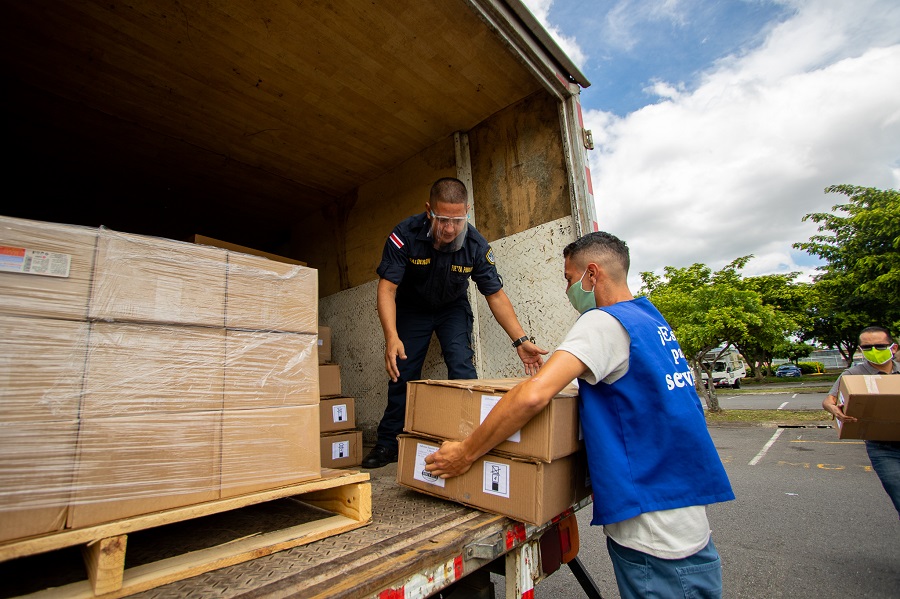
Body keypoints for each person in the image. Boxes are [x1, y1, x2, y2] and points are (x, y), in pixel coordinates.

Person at [425, 231, 735, 599]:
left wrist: (465, 453)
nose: (568, 289)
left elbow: (534, 394)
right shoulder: (650, 320)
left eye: (569, 279)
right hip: (684, 522)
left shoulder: (604, 322)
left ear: (592, 274)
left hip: (654, 537)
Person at [361, 177, 548, 469]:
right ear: (429, 210)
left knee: (462, 367)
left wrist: (520, 341)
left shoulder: (475, 244)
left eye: (457, 220)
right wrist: (392, 336)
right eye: (442, 219)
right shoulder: (405, 234)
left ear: (467, 212)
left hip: (452, 309)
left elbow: (495, 294)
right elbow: (387, 288)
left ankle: (471, 440)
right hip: (412, 309)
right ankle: (387, 443)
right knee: (403, 370)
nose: (449, 229)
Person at [823, 326, 900, 517]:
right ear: (860, 349)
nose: (874, 351)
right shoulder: (853, 375)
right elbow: (828, 401)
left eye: (880, 346)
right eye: (867, 347)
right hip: (883, 448)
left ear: (894, 348)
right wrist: (835, 411)